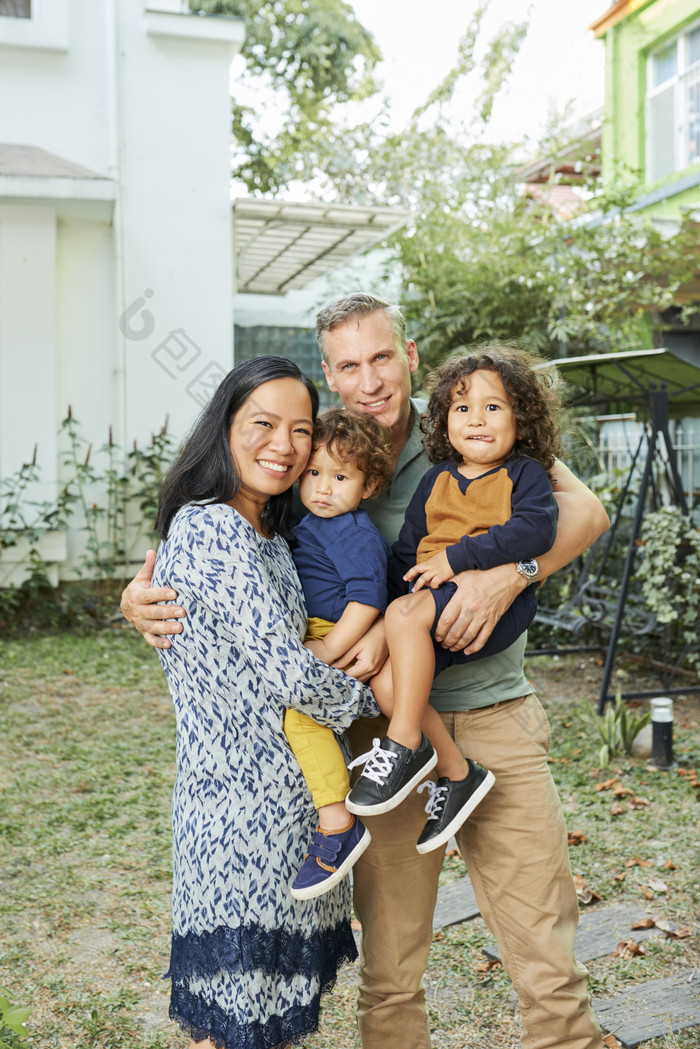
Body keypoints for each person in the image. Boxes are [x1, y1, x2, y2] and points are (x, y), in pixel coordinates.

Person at [122, 294, 609, 1049]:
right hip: (383, 740)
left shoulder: (468, 416)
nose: (370, 378)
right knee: (389, 975)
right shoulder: (315, 443)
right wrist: (141, 594)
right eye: (348, 365)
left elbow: (587, 512)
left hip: (493, 713)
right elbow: (240, 535)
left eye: (382, 357)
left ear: (409, 355)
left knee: (546, 962)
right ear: (330, 374)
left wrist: (506, 571)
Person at [149, 356, 380, 1049]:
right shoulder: (212, 527)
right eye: (263, 423)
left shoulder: (274, 535)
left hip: (297, 816)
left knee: (266, 1027)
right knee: (233, 1027)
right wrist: (374, 687)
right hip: (239, 818)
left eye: (301, 429)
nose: (284, 443)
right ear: (224, 427)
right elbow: (286, 667)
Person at [346, 346, 560, 856]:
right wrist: (389, 612)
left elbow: (537, 528)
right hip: (429, 609)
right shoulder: (435, 479)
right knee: (387, 680)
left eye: (494, 407)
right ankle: (457, 772)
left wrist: (459, 558)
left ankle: (402, 747)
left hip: (494, 610)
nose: (477, 419)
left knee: (405, 612)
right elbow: (407, 554)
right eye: (462, 408)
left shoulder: (525, 474)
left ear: (521, 420)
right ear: (444, 420)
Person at [287, 406, 492, 900]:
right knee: (394, 695)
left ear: (369, 485)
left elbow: (367, 597)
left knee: (301, 715)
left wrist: (331, 646)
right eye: (313, 473)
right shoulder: (319, 521)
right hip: (346, 630)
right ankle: (457, 771)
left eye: (339, 476)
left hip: (344, 628)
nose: (322, 488)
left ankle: (335, 823)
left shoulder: (351, 532)